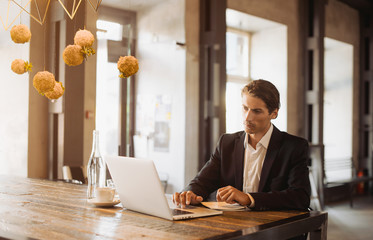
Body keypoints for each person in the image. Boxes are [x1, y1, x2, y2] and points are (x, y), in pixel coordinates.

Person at [173, 79, 311, 211]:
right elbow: (202, 182)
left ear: (274, 113)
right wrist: (188, 193)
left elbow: (300, 197)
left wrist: (248, 198)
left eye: (256, 111)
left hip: (273, 229)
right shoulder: (226, 143)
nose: (247, 117)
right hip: (232, 226)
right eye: (245, 108)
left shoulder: (294, 147)